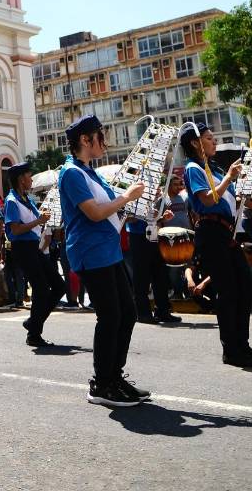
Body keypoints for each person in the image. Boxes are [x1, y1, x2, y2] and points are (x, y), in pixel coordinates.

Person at [57, 114, 150, 407]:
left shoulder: (89, 172)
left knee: (128, 313)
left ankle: (114, 376)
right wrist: (127, 197)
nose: (105, 143)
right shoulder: (71, 173)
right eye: (100, 136)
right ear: (85, 140)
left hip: (107, 251)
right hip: (90, 252)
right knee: (110, 317)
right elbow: (95, 213)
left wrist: (139, 209)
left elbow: (110, 212)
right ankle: (101, 383)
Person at [180, 122, 252, 366]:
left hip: (225, 233)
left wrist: (236, 182)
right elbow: (208, 200)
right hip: (211, 232)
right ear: (195, 143)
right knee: (229, 291)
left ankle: (243, 344)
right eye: (210, 138)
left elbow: (230, 197)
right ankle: (231, 349)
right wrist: (229, 178)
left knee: (245, 288)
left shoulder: (213, 168)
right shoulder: (193, 168)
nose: (214, 141)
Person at [4, 161, 65, 346]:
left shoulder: (27, 199)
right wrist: (37, 221)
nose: (31, 179)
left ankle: (33, 323)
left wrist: (45, 219)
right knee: (40, 288)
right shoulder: (12, 201)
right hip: (23, 249)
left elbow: (36, 222)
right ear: (21, 179)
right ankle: (34, 333)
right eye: (29, 176)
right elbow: (14, 230)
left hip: (34, 247)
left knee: (58, 286)